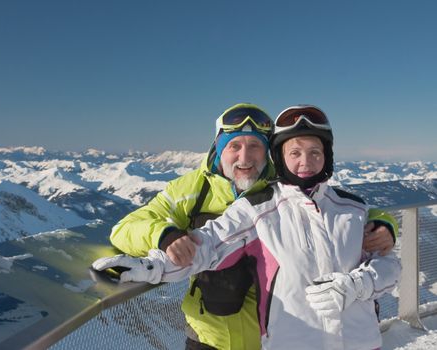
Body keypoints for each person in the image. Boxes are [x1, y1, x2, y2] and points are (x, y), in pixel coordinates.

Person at [107, 103, 397, 350]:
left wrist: (385, 223)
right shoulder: (194, 190)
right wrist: (164, 238)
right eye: (234, 146)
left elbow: (338, 211)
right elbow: (132, 228)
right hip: (211, 334)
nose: (245, 158)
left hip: (270, 335)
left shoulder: (280, 185)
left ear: (269, 153)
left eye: (255, 146)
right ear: (219, 149)